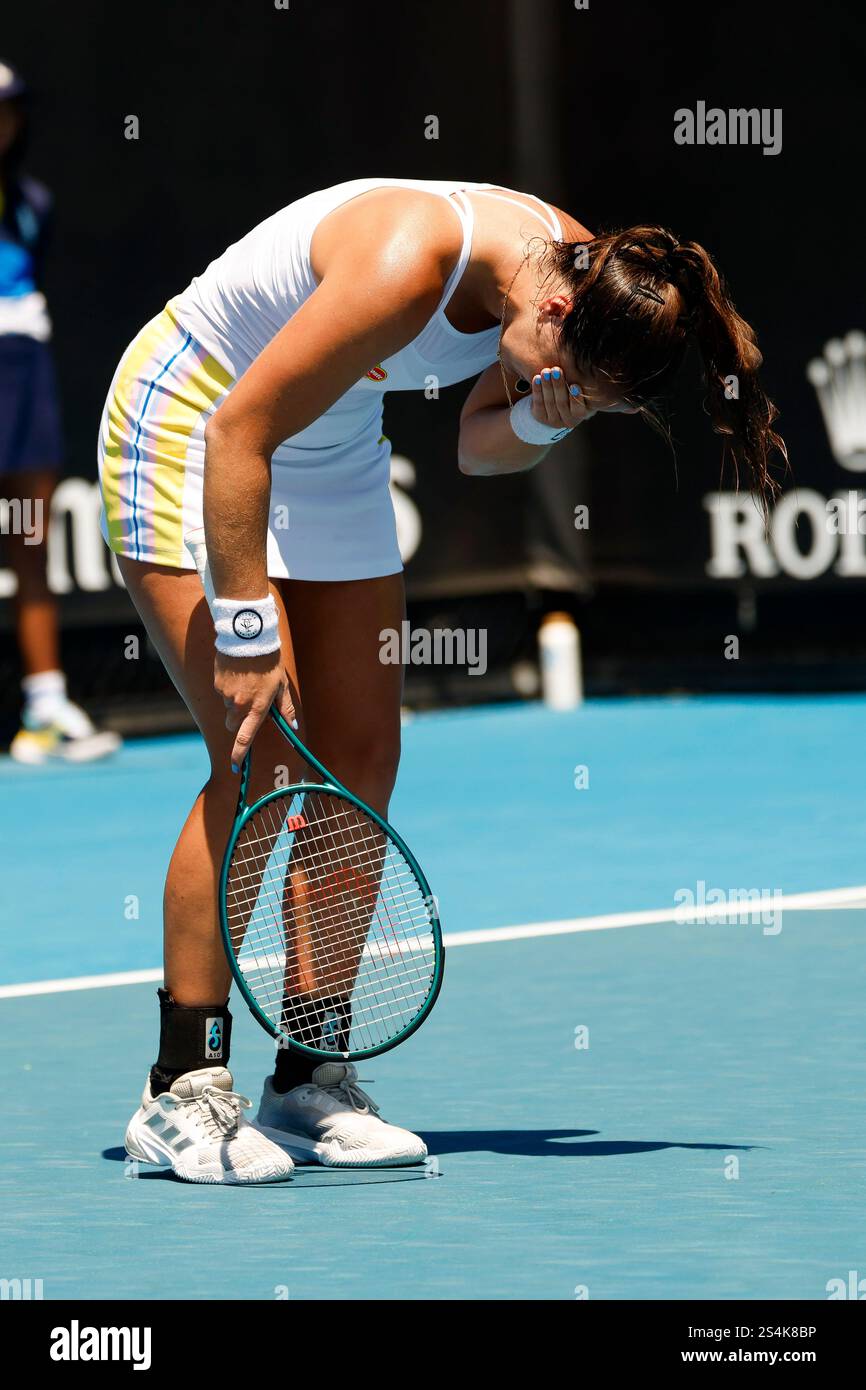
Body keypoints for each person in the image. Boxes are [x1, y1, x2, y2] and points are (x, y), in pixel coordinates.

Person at [99, 176, 786, 1184]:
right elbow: (234, 433)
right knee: (260, 759)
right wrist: (245, 623)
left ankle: (309, 1075)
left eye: (598, 402)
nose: (575, 396)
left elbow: (478, 445)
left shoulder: (585, 273)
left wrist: (549, 416)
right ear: (551, 309)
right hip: (197, 416)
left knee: (364, 754)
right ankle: (180, 1091)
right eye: (576, 378)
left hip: (327, 446)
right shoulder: (407, 256)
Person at [0, 60, 119, 764]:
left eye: (8, 109)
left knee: (29, 538)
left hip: (22, 367)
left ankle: (45, 706)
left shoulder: (31, 202)